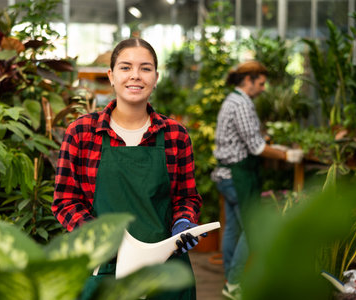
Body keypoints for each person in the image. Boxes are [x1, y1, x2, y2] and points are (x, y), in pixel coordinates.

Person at [53, 38, 204, 300]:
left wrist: (184, 222)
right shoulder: (81, 133)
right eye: (125, 67)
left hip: (165, 270)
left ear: (156, 77)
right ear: (111, 76)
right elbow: (65, 201)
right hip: (103, 271)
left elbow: (186, 197)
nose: (135, 76)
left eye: (145, 68)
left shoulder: (175, 135)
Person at [211, 61, 303, 300]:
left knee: (233, 228)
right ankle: (234, 283)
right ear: (248, 81)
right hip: (236, 176)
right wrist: (287, 155)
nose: (263, 88)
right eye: (261, 83)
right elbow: (256, 147)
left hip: (226, 175)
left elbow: (251, 138)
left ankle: (229, 281)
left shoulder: (233, 100)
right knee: (252, 227)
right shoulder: (241, 103)